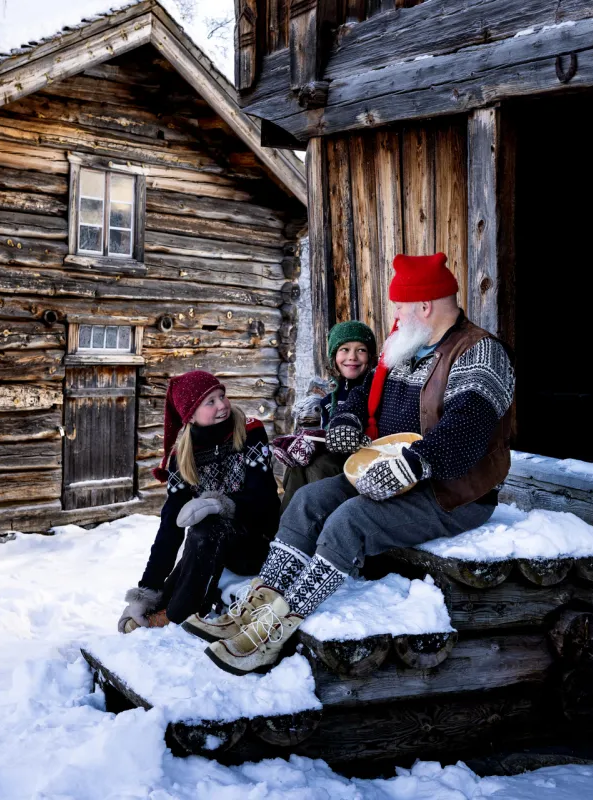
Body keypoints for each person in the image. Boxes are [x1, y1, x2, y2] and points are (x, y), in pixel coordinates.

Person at [200, 253, 516, 674]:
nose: (397, 316)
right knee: (308, 500)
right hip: (390, 470)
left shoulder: (479, 353)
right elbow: (360, 392)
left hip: (450, 491)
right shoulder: (409, 343)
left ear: (424, 307)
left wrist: (416, 463)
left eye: (401, 307)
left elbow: (468, 429)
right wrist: (347, 419)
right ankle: (261, 601)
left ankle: (280, 624)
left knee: (350, 520)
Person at [117, 370, 279, 633]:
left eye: (221, 396)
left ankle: (175, 615)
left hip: (258, 543)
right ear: (190, 415)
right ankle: (149, 607)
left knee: (206, 529)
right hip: (213, 546)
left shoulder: (250, 431)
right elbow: (170, 526)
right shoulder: (182, 457)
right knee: (199, 539)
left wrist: (221, 504)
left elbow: (265, 499)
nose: (222, 405)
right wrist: (147, 588)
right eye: (210, 402)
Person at [274, 320, 377, 514]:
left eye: (361, 350)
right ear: (333, 357)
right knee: (298, 464)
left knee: (319, 465)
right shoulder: (329, 400)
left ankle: (318, 526)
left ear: (370, 356)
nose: (352, 357)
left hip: (363, 461)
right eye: (344, 349)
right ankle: (285, 532)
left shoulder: (373, 387)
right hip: (338, 459)